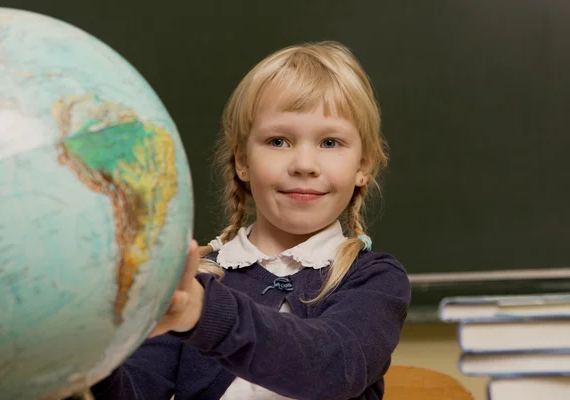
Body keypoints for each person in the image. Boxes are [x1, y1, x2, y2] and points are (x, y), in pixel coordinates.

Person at [91, 40, 411, 400]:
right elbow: (136, 390)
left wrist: (203, 312)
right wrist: (85, 368)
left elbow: (333, 367)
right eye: (278, 141)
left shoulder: (375, 279)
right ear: (242, 161)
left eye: (330, 143)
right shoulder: (191, 281)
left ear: (363, 167)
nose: (304, 164)